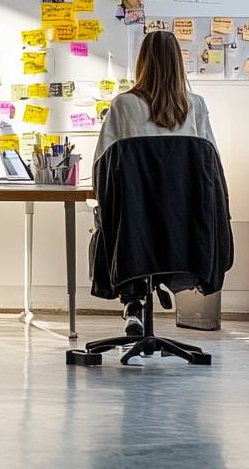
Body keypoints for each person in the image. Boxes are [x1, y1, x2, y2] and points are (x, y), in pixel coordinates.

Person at [92, 29, 219, 337]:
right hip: (184, 223)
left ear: (142, 63)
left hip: (138, 223)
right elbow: (211, 169)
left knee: (120, 221)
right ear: (178, 63)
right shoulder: (196, 106)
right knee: (144, 223)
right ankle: (143, 295)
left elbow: (101, 170)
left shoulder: (123, 105)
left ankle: (133, 302)